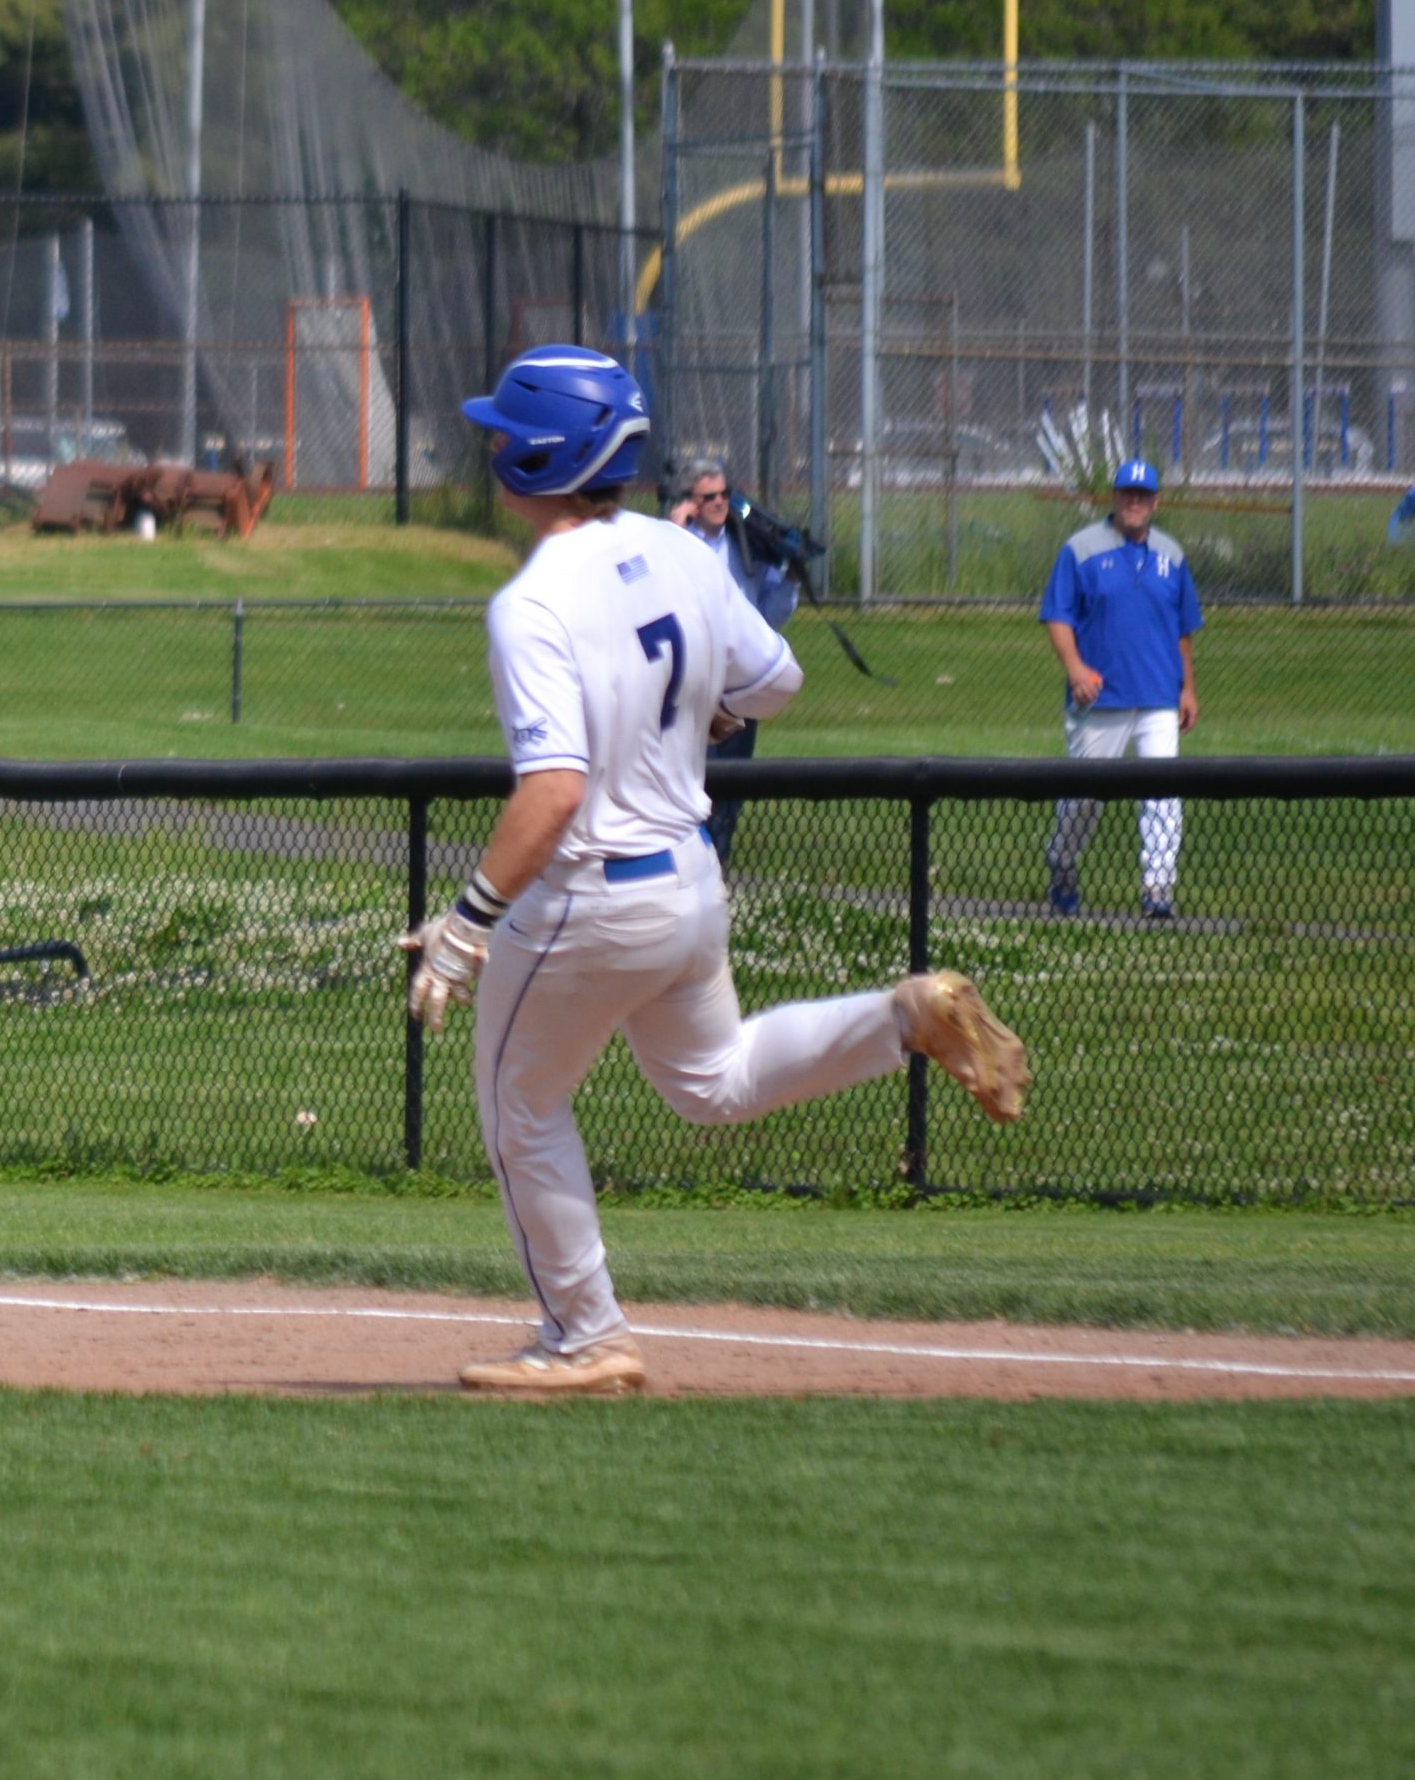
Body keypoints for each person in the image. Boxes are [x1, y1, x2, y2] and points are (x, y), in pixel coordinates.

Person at [400, 345, 1030, 1398]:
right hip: (688, 883)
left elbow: (551, 793)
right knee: (713, 1081)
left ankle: (584, 1334)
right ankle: (900, 1017)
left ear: (533, 457)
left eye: (502, 433)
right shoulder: (679, 550)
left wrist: (467, 925)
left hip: (590, 894)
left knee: (518, 1103)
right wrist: (711, 707)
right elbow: (775, 679)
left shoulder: (531, 602)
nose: (492, 447)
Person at [1039, 457, 1202, 921]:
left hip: (1157, 695)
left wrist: (1187, 688)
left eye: (1142, 495)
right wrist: (1074, 669)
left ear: (1155, 501)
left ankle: (1157, 890)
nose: (1134, 502)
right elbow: (1058, 616)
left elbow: (1181, 629)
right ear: (1113, 498)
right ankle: (1063, 861)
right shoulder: (1082, 549)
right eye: (1126, 494)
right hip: (1100, 695)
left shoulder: (1172, 555)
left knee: (1163, 795)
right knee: (1085, 799)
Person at [667, 456, 800, 864]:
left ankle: (719, 858)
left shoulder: (744, 543)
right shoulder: (673, 543)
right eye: (709, 497)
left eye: (725, 494)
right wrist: (675, 532)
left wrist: (792, 575)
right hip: (692, 681)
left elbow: (769, 614)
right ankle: (692, 856)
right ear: (689, 501)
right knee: (695, 777)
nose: (720, 502)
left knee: (735, 777)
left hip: (737, 681)